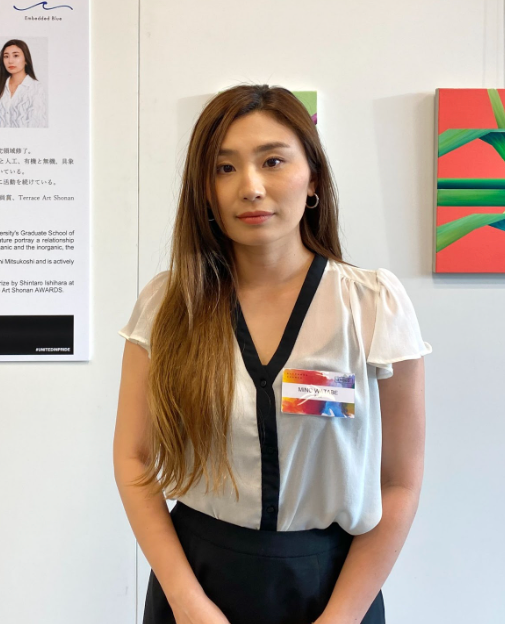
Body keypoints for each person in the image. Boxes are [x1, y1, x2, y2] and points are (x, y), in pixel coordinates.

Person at [113, 85, 432, 624]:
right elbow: (134, 458)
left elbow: (399, 482)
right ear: (205, 190)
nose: (251, 187)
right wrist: (187, 603)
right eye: (225, 168)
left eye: (273, 161)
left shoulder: (372, 305)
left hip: (332, 590)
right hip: (197, 583)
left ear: (314, 179)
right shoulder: (170, 304)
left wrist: (340, 617)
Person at [0, 39, 47, 128]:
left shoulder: (36, 88)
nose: (10, 61)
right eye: (6, 56)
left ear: (26, 60)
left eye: (15, 55)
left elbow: (38, 124)